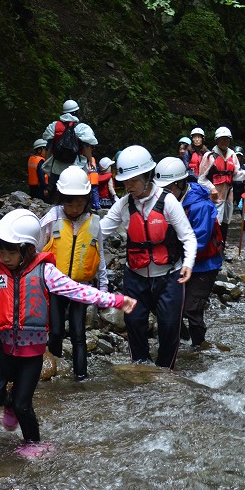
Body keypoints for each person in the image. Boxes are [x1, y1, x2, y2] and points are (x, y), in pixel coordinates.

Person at [0, 209, 135, 457]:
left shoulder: (45, 272)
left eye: (11, 251)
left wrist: (114, 300)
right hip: (5, 349)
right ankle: (7, 404)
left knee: (23, 404)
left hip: (31, 356)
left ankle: (33, 443)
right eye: (2, 251)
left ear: (28, 249)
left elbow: (76, 290)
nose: (5, 257)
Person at [100, 145, 197, 370]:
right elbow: (98, 233)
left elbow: (188, 238)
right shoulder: (123, 205)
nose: (128, 186)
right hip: (136, 276)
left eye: (133, 180)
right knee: (134, 322)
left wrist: (189, 264)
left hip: (169, 275)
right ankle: (141, 368)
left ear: (147, 176)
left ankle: (165, 371)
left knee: (169, 326)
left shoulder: (168, 202)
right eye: (125, 182)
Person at [40, 166, 110, 381]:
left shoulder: (94, 222)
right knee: (56, 330)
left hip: (81, 287)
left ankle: (81, 377)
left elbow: (100, 255)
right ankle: (55, 370)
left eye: (80, 202)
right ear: (61, 199)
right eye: (70, 202)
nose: (75, 207)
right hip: (55, 286)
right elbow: (36, 249)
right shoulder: (51, 219)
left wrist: (104, 286)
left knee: (79, 333)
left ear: (87, 199)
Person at [154, 157, 222, 352]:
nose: (162, 193)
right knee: (162, 301)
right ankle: (182, 338)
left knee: (191, 308)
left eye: (167, 188)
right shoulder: (171, 199)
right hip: (180, 261)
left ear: (179, 184)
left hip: (205, 264)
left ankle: (198, 346)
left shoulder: (199, 206)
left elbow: (198, 241)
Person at [41, 99, 98, 196]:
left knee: (56, 189)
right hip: (76, 165)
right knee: (75, 189)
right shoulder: (82, 127)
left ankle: (56, 205)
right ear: (76, 112)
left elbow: (49, 147)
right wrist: (90, 161)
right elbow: (87, 146)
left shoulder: (54, 126)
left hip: (57, 165)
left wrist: (47, 161)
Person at [197, 126, 239, 244]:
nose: (224, 142)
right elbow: (201, 179)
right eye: (221, 139)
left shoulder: (233, 155)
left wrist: (244, 174)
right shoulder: (209, 156)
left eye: (226, 139)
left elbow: (235, 175)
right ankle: (213, 248)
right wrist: (212, 188)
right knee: (215, 221)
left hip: (228, 194)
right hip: (216, 196)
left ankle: (222, 247)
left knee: (226, 221)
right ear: (216, 140)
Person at [232, 146, 245, 211]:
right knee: (228, 209)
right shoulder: (230, 166)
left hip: (241, 190)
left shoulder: (244, 167)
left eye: (239, 156)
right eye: (236, 156)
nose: (238, 158)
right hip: (232, 190)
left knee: (242, 209)